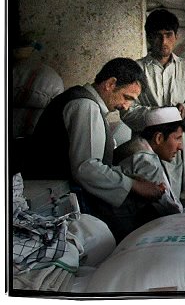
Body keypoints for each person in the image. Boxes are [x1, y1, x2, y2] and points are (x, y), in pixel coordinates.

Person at [23, 58, 165, 240]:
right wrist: (134, 185)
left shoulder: (87, 102)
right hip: (58, 195)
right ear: (110, 84)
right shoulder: (85, 106)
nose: (125, 106)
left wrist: (128, 178)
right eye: (127, 97)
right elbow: (86, 168)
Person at [122, 9, 185, 206]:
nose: (163, 42)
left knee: (184, 197)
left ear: (176, 37)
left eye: (168, 35)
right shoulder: (137, 70)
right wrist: (155, 116)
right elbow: (127, 110)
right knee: (152, 196)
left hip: (179, 144)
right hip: (148, 145)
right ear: (149, 38)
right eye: (157, 36)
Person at [111, 106, 185, 238]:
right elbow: (167, 211)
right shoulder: (144, 160)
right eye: (177, 138)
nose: (180, 147)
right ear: (158, 138)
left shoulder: (140, 147)